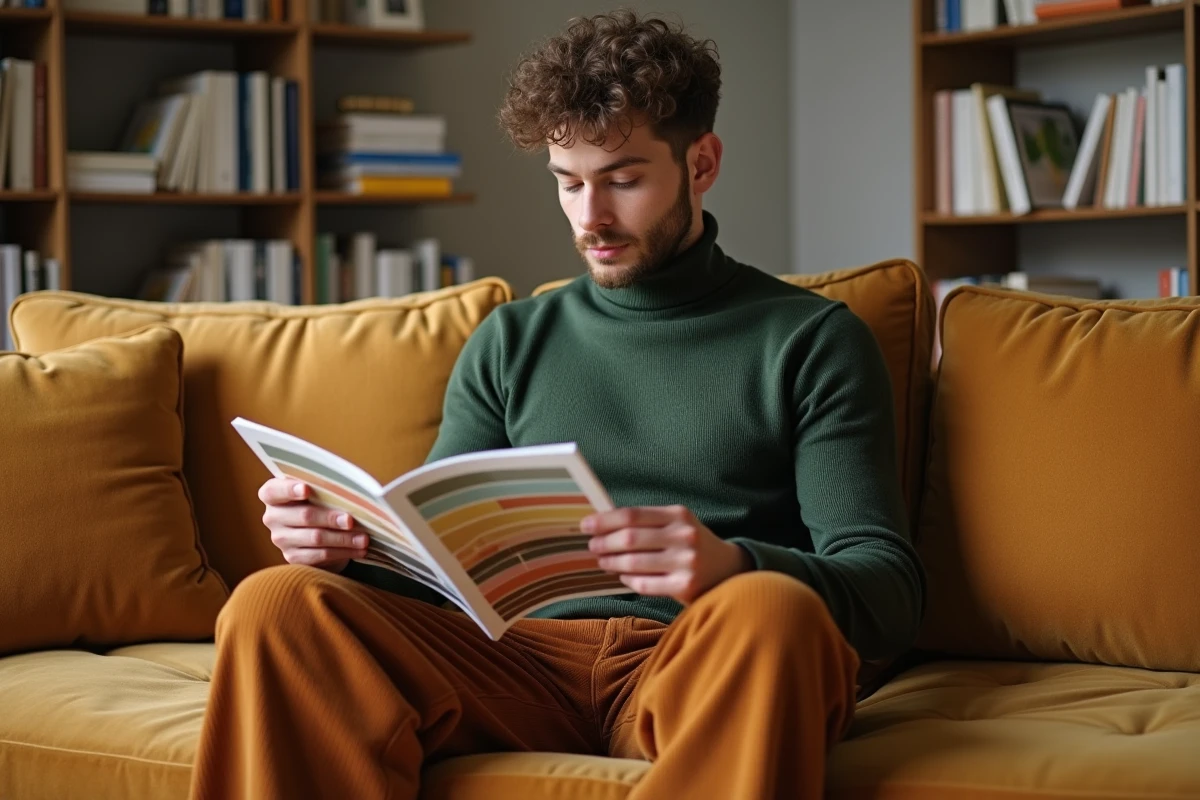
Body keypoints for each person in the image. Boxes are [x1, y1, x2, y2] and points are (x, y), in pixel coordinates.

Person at [188, 10, 925, 800]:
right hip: (516, 663)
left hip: (699, 656)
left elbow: (887, 591)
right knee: (278, 603)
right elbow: (444, 567)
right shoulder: (511, 341)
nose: (590, 218)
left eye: (624, 179)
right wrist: (348, 548)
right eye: (568, 182)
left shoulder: (810, 340)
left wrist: (731, 566)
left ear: (702, 162)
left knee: (773, 615)